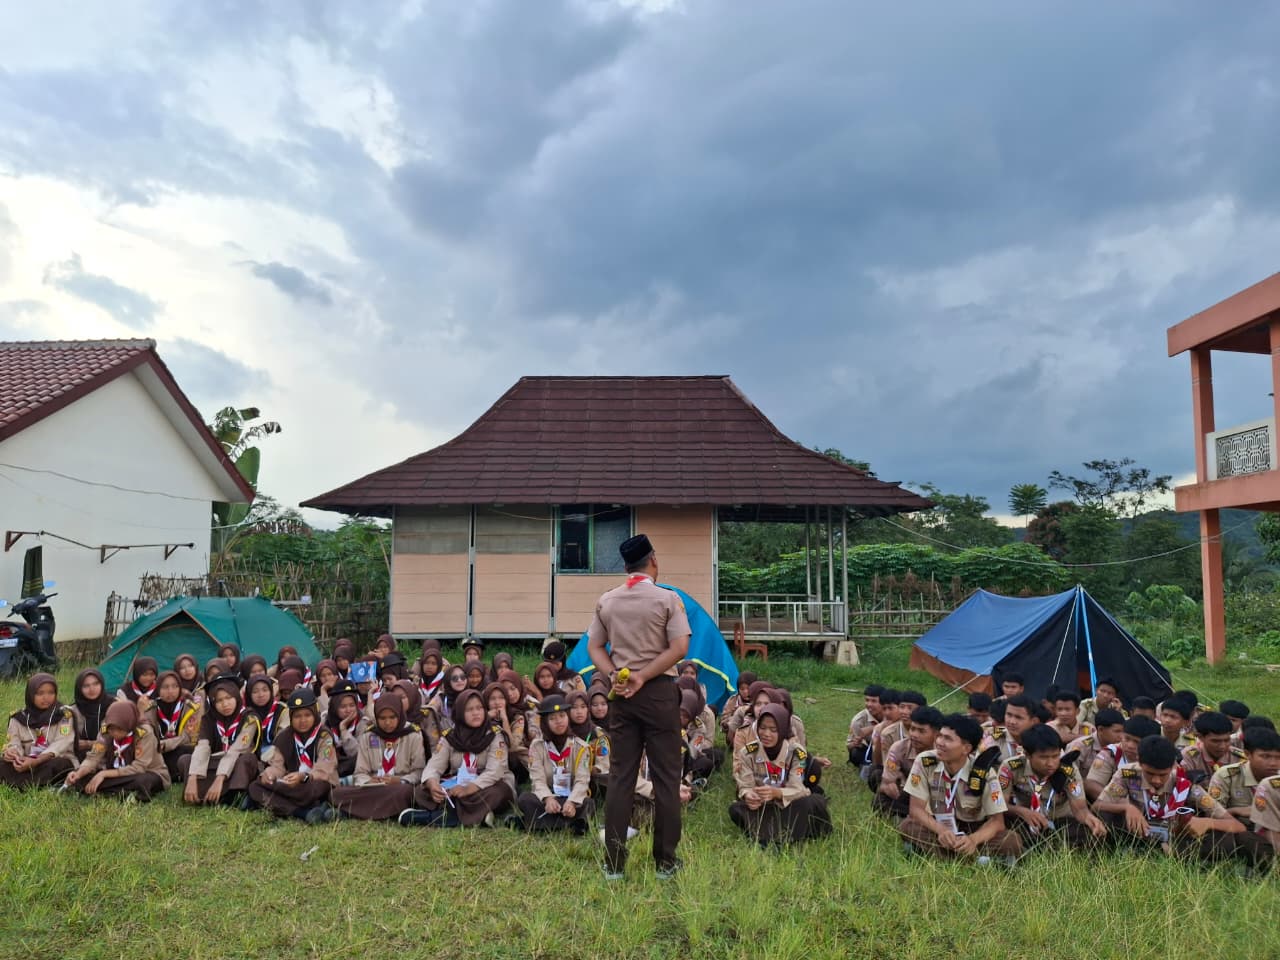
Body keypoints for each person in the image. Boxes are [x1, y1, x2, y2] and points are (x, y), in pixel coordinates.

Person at [587, 533, 691, 881]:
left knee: (620, 777)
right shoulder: (667, 599)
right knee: (666, 778)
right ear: (654, 561)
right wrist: (644, 676)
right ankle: (665, 862)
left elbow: (595, 648)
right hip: (659, 693)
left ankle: (614, 864)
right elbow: (679, 648)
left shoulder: (608, 601)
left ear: (626, 565)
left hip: (622, 696)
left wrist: (616, 674)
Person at [1093, 735, 1243, 860]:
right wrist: (1126, 807)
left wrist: (1207, 822)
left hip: (1174, 838)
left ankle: (1164, 853)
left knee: (1225, 842)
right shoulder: (1128, 774)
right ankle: (1117, 851)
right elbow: (1097, 806)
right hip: (1135, 832)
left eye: (1162, 775)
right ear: (1140, 762)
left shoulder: (1185, 783)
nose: (1156, 780)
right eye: (1150, 773)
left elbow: (1237, 825)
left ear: (1172, 766)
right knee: (1103, 816)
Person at [899, 714, 1021, 861]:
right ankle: (972, 860)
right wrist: (941, 831)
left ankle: (949, 857)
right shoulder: (926, 761)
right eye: (940, 736)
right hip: (939, 824)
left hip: (973, 827)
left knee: (1011, 840)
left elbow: (997, 821)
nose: (940, 743)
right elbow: (916, 809)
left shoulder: (984, 772)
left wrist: (973, 840)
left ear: (966, 748)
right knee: (908, 826)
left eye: (948, 739)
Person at [403, 688, 515, 827]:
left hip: (488, 783)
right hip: (458, 782)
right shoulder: (450, 736)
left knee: (497, 793)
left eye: (479, 708)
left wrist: (470, 788)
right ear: (460, 713)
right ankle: (477, 815)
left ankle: (437, 817)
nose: (476, 713)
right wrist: (432, 783)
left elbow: (495, 771)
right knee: (422, 791)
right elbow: (435, 765)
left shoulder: (495, 734)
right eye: (469, 710)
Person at [729, 703, 830, 847]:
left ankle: (775, 837)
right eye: (762, 728)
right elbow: (745, 785)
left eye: (773, 730)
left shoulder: (797, 753)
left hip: (789, 804)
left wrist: (776, 793)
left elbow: (798, 789)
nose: (766, 734)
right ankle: (777, 834)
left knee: (811, 802)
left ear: (783, 730)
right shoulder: (748, 752)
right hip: (765, 806)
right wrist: (749, 795)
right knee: (736, 809)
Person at [997, 724, 1106, 851]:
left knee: (1088, 833)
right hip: (1027, 820)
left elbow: (1080, 810)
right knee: (1008, 829)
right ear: (1027, 754)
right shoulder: (1011, 767)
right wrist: (1022, 812)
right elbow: (1000, 805)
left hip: (1061, 820)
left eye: (1055, 756)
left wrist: (1091, 820)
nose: (1051, 763)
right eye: (1043, 758)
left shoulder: (1068, 770)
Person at [247, 688, 338, 824]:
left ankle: (290, 806)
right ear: (290, 717)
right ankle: (302, 812)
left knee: (311, 789)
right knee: (256, 787)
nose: (302, 721)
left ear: (315, 714)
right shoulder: (284, 736)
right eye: (297, 716)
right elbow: (278, 765)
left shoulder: (324, 736)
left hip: (316, 781)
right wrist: (269, 774)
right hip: (291, 783)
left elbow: (325, 767)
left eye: (307, 715)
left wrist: (304, 777)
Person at [330, 692, 426, 821]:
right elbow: (360, 772)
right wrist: (368, 781)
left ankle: (351, 811)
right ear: (376, 717)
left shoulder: (413, 735)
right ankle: (384, 812)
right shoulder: (369, 735)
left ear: (399, 714)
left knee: (406, 792)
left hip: (399, 785)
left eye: (392, 717)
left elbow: (419, 772)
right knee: (335, 793)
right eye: (382, 718)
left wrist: (398, 780)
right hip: (373, 787)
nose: (387, 723)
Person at [516, 694, 594, 834]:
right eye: (552, 718)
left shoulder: (581, 747)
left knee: (588, 803)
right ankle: (571, 824)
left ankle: (538, 823)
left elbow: (582, 781)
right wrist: (548, 798)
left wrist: (572, 802)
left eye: (562, 716)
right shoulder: (537, 746)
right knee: (525, 799)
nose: (559, 721)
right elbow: (537, 779)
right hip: (548, 798)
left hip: (569, 797)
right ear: (545, 723)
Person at [65, 699, 169, 801]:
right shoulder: (105, 731)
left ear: (129, 723)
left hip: (147, 772)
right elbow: (94, 757)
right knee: (81, 777)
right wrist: (79, 773)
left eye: (119, 729)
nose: (114, 733)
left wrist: (104, 774)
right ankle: (120, 792)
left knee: (143, 782)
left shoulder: (144, 733)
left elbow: (139, 767)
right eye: (111, 729)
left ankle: (108, 791)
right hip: (118, 774)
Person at [180, 676, 261, 806]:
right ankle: (209, 795)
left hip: (236, 763)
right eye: (219, 700)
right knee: (185, 760)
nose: (225, 704)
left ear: (236, 696)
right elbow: (203, 747)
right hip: (215, 761)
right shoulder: (208, 718)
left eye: (229, 698)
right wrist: (193, 776)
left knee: (247, 759)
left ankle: (233, 796)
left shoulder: (250, 718)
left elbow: (237, 749)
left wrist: (219, 779)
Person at [0, 673, 76, 789]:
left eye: (51, 692)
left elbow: (62, 743)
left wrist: (37, 761)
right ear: (30, 695)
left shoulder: (64, 715)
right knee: (3, 762)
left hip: (52, 760)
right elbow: (14, 742)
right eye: (40, 693)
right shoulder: (18, 718)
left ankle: (19, 782)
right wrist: (14, 754)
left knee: (59, 765)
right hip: (27, 760)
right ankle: (31, 782)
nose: (46, 697)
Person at [874, 706, 942, 820]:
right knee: (880, 798)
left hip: (936, 796)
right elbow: (885, 784)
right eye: (912, 728)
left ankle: (912, 817)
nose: (914, 734)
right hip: (908, 791)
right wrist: (888, 787)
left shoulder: (943, 752)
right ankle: (910, 816)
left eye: (921, 731)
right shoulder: (899, 748)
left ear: (936, 734)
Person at [1083, 715, 1160, 803]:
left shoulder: (1161, 757)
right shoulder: (1111, 753)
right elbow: (1091, 785)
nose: (1130, 745)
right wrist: (1120, 802)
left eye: (1137, 742)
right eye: (1127, 739)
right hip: (1116, 809)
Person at [152, 670, 200, 781]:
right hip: (157, 750)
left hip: (178, 748)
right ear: (158, 689)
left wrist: (165, 744)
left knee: (188, 751)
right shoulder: (151, 708)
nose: (170, 691)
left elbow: (187, 736)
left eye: (175, 686)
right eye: (165, 687)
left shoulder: (190, 707)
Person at [1180, 711, 1244, 785]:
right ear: (1200, 737)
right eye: (1215, 741)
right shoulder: (1188, 756)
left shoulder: (1239, 758)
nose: (1222, 746)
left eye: (1226, 740)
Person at [1066, 708, 1125, 781]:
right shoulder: (1080, 746)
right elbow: (1069, 776)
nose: (1121, 736)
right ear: (1101, 730)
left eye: (1123, 731)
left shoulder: (1122, 747)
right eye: (1117, 731)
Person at [69, 667, 113, 761]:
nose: (92, 689)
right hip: (81, 755)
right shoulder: (73, 710)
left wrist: (88, 744)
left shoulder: (113, 705)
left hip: (109, 753)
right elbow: (67, 740)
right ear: (79, 688)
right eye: (86, 686)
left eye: (96, 684)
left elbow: (116, 738)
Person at [846, 683, 883, 765]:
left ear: (884, 702)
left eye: (874, 701)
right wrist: (856, 743)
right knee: (855, 754)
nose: (869, 704)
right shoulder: (858, 721)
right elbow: (849, 746)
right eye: (867, 700)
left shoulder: (893, 714)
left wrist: (875, 727)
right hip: (872, 749)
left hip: (890, 748)